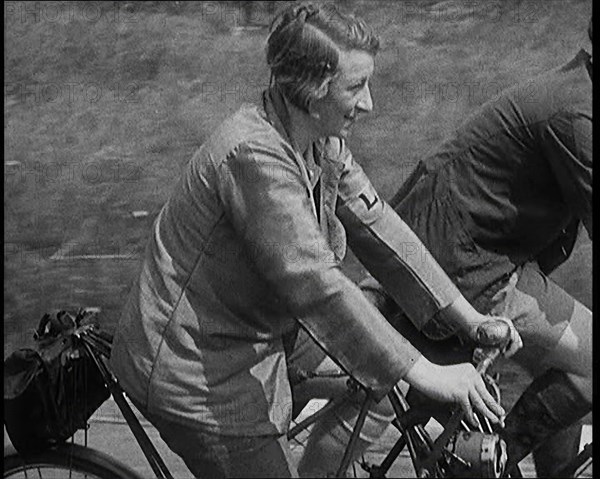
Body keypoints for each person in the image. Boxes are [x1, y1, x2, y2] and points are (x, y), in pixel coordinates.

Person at [109, 3, 519, 477]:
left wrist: (468, 320)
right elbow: (317, 285)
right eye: (356, 87)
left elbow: (378, 226)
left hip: (261, 333)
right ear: (312, 89)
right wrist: (427, 372)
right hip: (199, 368)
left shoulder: (320, 140)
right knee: (397, 369)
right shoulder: (254, 156)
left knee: (386, 381)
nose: (369, 103)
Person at [362, 16, 593, 478]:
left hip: (451, 253)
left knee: (568, 358)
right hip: (465, 268)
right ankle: (486, 458)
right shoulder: (577, 115)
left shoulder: (574, 92)